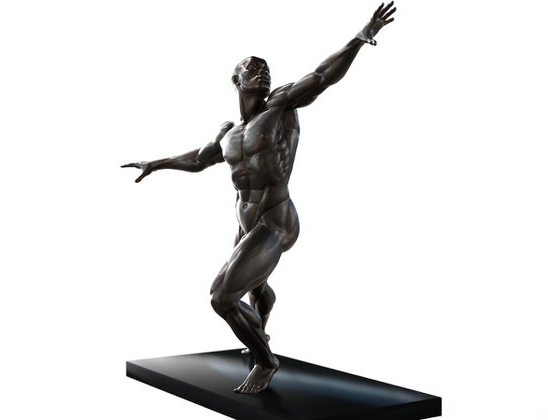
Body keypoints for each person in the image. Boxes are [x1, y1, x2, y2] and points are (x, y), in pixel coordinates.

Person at [122, 2, 396, 394]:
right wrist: (157, 162)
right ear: (235, 79)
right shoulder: (229, 132)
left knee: (221, 297)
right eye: (252, 67)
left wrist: (360, 36)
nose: (262, 71)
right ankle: (259, 330)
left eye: (265, 68)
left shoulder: (281, 105)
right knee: (256, 287)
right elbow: (199, 160)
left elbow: (322, 76)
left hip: (276, 219)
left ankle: (266, 361)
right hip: (245, 223)